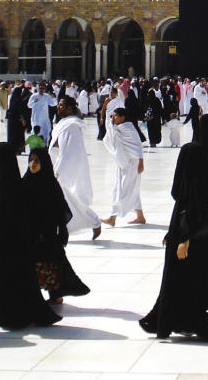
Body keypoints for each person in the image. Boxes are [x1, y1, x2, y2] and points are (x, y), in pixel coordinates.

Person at [140, 122, 208, 341]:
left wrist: (182, 235)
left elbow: (181, 196)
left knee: (183, 280)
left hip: (189, 230)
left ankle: (182, 320)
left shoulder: (192, 154)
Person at [0, 143, 62, 330]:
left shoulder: (0, 189)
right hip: (20, 248)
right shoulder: (20, 187)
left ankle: (7, 314)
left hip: (1, 247)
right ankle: (16, 313)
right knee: (18, 279)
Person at [20, 148, 90, 306]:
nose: (33, 164)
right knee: (31, 264)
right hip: (30, 232)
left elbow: (60, 208)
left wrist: (58, 228)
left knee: (51, 262)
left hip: (47, 231)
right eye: (31, 160)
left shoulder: (50, 184)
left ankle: (56, 295)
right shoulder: (25, 182)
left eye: (37, 160)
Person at [49, 96, 102, 240]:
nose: (58, 108)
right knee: (66, 201)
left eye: (62, 105)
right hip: (57, 166)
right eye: (59, 105)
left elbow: (70, 152)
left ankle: (93, 221)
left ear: (70, 108)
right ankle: (62, 227)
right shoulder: (64, 123)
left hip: (64, 169)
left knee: (71, 200)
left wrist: (58, 171)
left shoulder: (71, 126)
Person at [102, 107, 145, 226]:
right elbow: (109, 137)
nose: (113, 118)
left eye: (116, 116)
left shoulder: (129, 129)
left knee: (123, 189)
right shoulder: (116, 128)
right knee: (131, 188)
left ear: (122, 117)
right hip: (122, 163)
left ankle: (113, 217)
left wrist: (141, 163)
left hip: (133, 163)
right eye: (113, 116)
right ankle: (140, 217)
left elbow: (137, 145)